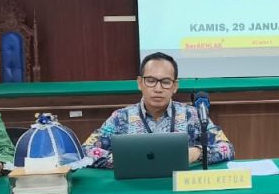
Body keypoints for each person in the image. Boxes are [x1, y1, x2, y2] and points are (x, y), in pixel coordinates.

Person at [83, 52, 234, 166]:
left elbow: (227, 148)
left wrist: (198, 152)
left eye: (166, 82)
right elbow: (85, 150)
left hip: (177, 189)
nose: (158, 89)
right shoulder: (121, 117)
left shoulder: (192, 115)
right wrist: (121, 159)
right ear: (139, 83)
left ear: (175, 86)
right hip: (134, 188)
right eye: (151, 81)